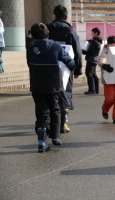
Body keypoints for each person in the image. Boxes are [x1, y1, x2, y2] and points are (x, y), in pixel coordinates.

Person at [26, 23, 75, 152]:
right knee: (55, 109)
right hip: (54, 84)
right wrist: (72, 67)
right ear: (47, 32)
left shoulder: (30, 47)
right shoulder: (56, 46)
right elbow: (69, 61)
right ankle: (55, 137)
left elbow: (29, 64)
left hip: (37, 84)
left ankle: (42, 142)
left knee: (42, 113)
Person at [47, 5, 83, 133]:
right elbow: (78, 52)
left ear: (54, 16)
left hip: (49, 66)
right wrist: (78, 69)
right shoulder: (71, 32)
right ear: (66, 17)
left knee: (50, 93)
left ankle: (51, 123)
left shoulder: (47, 30)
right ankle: (63, 124)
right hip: (67, 66)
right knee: (65, 92)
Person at [98, 36, 115, 124]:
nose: (114, 46)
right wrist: (104, 65)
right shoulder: (105, 50)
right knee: (110, 99)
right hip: (108, 77)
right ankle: (105, 109)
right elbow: (101, 60)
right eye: (112, 44)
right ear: (108, 44)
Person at [82, 27, 102, 95]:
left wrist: (84, 51)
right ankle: (96, 89)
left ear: (96, 33)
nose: (91, 34)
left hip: (91, 59)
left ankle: (91, 89)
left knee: (89, 74)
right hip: (95, 59)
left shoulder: (94, 42)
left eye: (92, 32)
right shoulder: (99, 42)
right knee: (93, 74)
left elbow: (90, 51)